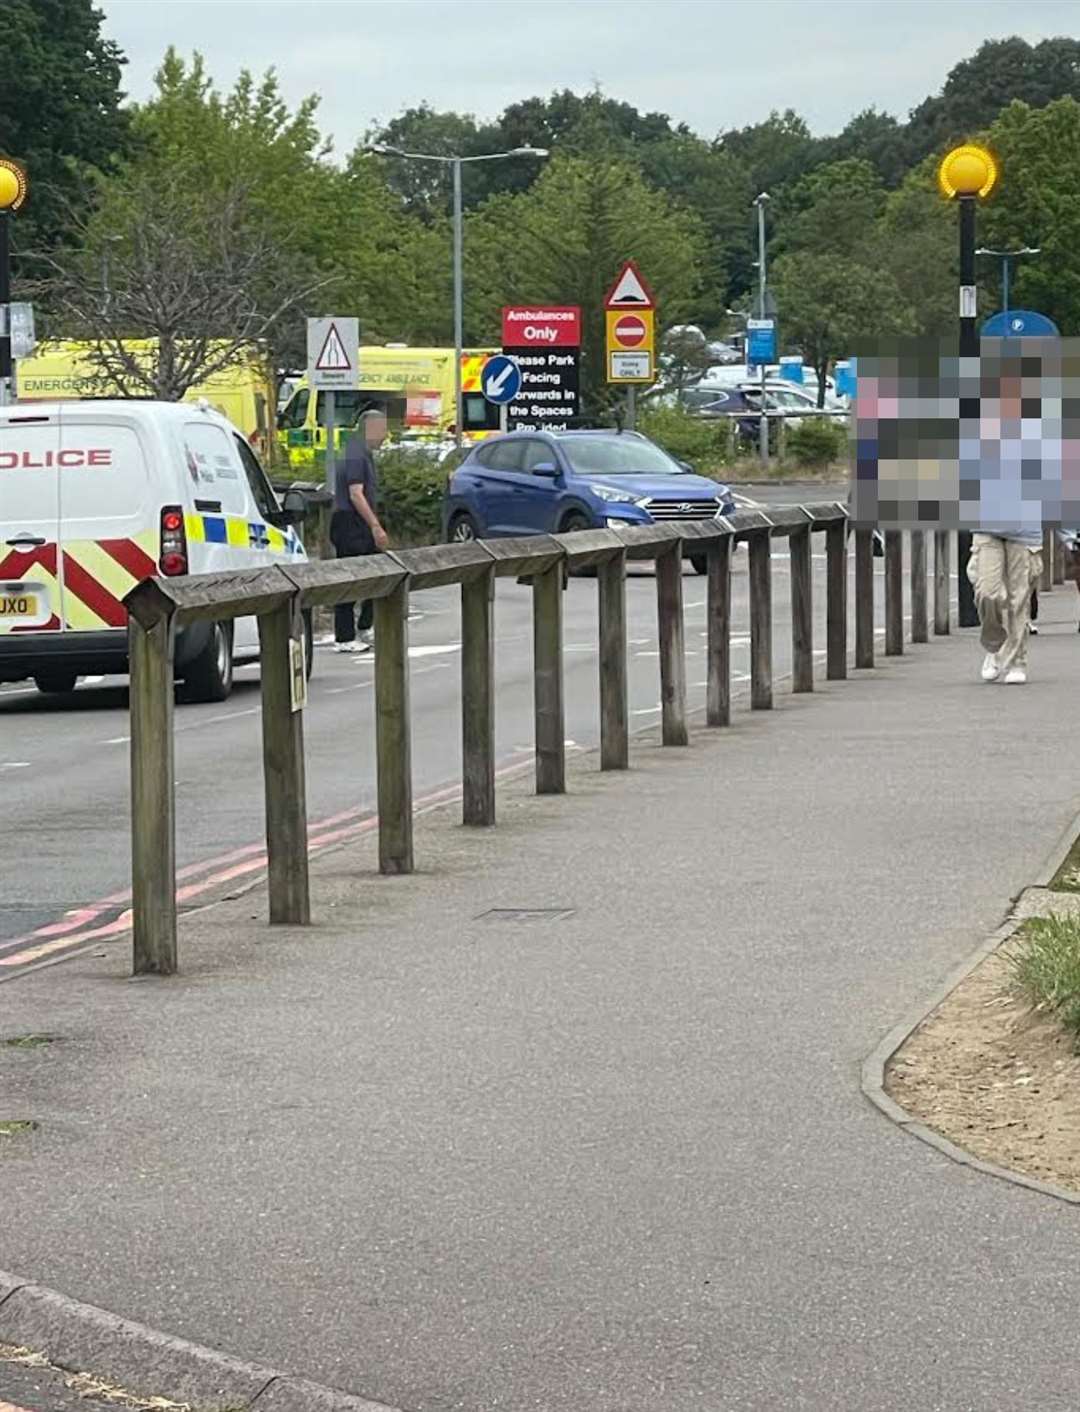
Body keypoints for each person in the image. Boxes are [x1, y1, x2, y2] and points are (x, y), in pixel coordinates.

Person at [330, 409, 389, 654]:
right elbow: (356, 493)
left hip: (358, 523)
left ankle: (365, 625)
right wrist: (375, 526)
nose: (385, 435)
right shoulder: (355, 452)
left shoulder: (363, 452)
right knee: (351, 579)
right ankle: (344, 637)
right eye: (382, 429)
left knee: (378, 574)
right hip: (350, 522)